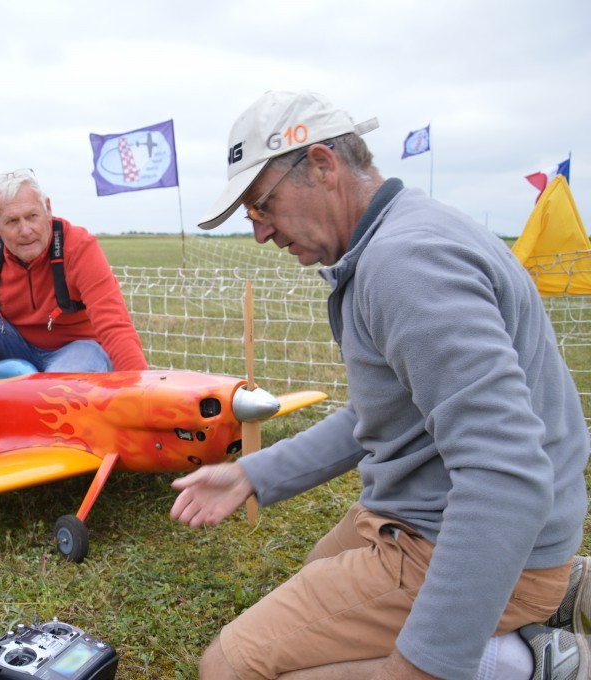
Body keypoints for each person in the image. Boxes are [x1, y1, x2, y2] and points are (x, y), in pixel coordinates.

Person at [169, 90, 590, 680]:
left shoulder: (403, 265)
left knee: (231, 666)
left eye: (263, 205)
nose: (260, 232)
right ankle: (532, 616)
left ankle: (518, 665)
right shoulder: (406, 231)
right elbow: (387, 411)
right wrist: (251, 474)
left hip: (470, 544)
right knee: (319, 566)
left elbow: (505, 474)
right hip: (429, 519)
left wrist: (423, 665)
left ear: (322, 165)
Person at [0, 168, 148, 447]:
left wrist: (143, 396)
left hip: (77, 351)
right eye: (12, 221)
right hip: (17, 350)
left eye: (32, 216)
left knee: (71, 378)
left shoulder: (80, 248)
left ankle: (35, 430)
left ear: (47, 208)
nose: (25, 231)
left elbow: (115, 326)